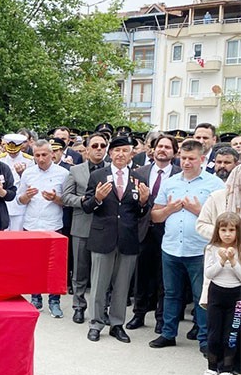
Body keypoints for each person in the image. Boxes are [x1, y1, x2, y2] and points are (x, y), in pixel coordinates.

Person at [149, 139, 226, 352]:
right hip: (171, 247)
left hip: (199, 249)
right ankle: (168, 333)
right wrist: (169, 210)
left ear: (202, 159)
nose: (186, 163)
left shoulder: (215, 185)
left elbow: (225, 222)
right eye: (183, 158)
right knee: (171, 293)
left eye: (191, 159)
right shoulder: (171, 182)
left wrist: (198, 211)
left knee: (200, 296)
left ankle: (204, 339)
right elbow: (155, 216)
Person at [82, 136, 151, 343]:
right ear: (110, 154)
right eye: (117, 151)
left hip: (128, 239)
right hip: (103, 237)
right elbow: (87, 207)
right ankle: (96, 323)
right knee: (99, 284)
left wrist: (145, 202)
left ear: (132, 154)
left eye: (125, 151)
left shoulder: (138, 178)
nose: (121, 154)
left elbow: (140, 212)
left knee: (122, 286)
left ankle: (117, 324)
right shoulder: (98, 175)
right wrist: (97, 199)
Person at [128, 135, 181, 332]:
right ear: (153, 149)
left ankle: (161, 318)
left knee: (164, 278)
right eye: (160, 146)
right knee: (141, 275)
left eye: (168, 147)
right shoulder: (139, 173)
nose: (163, 150)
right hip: (143, 230)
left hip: (168, 231)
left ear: (174, 152)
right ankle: (138, 314)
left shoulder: (179, 174)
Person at [16, 141, 69, 317]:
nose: (40, 159)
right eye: (37, 155)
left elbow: (67, 201)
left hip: (53, 225)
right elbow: (20, 200)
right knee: (33, 264)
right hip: (31, 225)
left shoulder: (63, 173)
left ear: (52, 154)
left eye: (44, 155)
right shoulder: (28, 173)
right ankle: (36, 297)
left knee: (54, 266)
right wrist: (26, 196)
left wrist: (55, 198)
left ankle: (54, 301)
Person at [62, 134, 108, 323]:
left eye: (102, 145)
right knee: (80, 269)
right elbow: (66, 197)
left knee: (103, 272)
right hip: (82, 225)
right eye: (94, 145)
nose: (98, 149)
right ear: (87, 149)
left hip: (105, 227)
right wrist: (83, 200)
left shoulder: (112, 170)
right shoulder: (75, 170)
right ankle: (79, 306)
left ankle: (101, 308)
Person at [197, 212, 241, 375]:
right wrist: (222, 261)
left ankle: (226, 372)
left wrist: (233, 261)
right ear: (218, 231)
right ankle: (212, 369)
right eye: (223, 230)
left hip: (236, 297)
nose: (227, 234)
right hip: (216, 293)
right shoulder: (211, 249)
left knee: (230, 336)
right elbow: (209, 273)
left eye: (232, 230)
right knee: (214, 334)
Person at [0, 134, 35, 231]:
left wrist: (22, 174)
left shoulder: (29, 160)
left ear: (21, 147)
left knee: (17, 235)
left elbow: (31, 182)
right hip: (3, 202)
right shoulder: (0, 159)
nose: (12, 153)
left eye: (15, 150)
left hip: (19, 204)